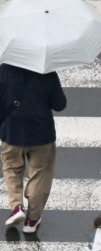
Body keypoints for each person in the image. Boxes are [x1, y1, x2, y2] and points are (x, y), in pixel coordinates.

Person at [0, 63, 67, 233]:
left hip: (12, 132)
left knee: (12, 169)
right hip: (42, 134)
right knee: (41, 174)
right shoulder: (47, 71)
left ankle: (16, 207)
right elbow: (60, 104)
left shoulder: (4, 70)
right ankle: (32, 220)